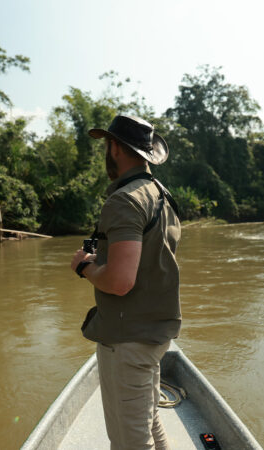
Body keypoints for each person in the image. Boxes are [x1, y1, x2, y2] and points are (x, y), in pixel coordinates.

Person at [70, 114, 181, 450]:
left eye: (107, 145)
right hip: (154, 333)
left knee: (129, 442)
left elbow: (119, 282)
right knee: (149, 420)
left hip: (127, 339)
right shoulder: (160, 196)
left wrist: (84, 268)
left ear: (115, 147)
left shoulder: (124, 200)